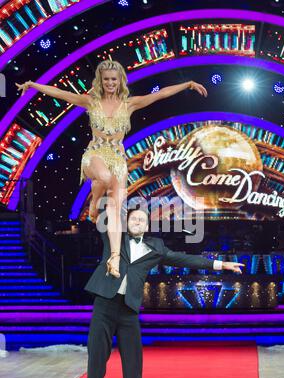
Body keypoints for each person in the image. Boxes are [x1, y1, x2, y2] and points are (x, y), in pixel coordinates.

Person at [16, 60, 208, 279]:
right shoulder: (89, 101)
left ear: (120, 82)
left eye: (113, 79)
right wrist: (33, 84)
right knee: (104, 178)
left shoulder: (130, 104)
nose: (109, 83)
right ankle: (94, 205)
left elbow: (161, 94)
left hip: (118, 157)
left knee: (116, 210)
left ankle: (114, 258)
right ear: (100, 81)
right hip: (95, 155)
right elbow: (59, 93)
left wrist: (188, 84)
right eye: (106, 79)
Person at [82, 207, 244, 378]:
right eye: (134, 218)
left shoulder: (155, 247)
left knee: (133, 366)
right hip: (104, 307)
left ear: (147, 226)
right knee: (96, 363)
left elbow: (184, 259)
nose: (137, 221)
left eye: (142, 220)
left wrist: (220, 265)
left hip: (129, 311)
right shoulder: (114, 236)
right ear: (126, 222)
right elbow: (103, 212)